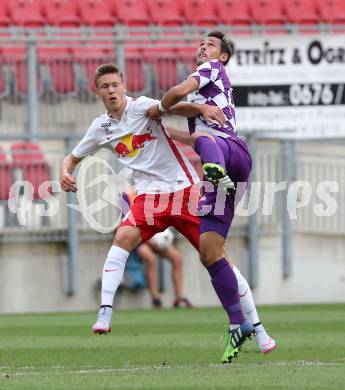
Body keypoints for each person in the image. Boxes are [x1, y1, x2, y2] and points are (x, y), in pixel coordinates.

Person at [60, 64, 266, 363]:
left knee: (218, 258)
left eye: (116, 85)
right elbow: (73, 156)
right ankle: (105, 311)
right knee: (122, 238)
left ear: (124, 86)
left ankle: (259, 330)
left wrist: (199, 109)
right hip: (148, 198)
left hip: (184, 191)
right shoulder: (99, 128)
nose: (112, 90)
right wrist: (65, 172)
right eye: (106, 87)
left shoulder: (141, 107)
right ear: (98, 92)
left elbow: (170, 106)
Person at [147, 31, 276, 358]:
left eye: (211, 45)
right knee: (210, 252)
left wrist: (159, 109)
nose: (202, 47)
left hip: (231, 155)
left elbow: (175, 93)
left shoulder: (211, 71)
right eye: (200, 44)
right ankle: (241, 326)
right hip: (226, 167)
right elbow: (190, 134)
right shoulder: (207, 101)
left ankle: (214, 172)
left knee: (206, 140)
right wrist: (161, 131)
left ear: (222, 57)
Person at [137, 228, 193, 308]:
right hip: (142, 240)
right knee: (150, 259)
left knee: (177, 259)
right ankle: (156, 300)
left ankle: (179, 299)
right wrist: (149, 240)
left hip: (158, 239)